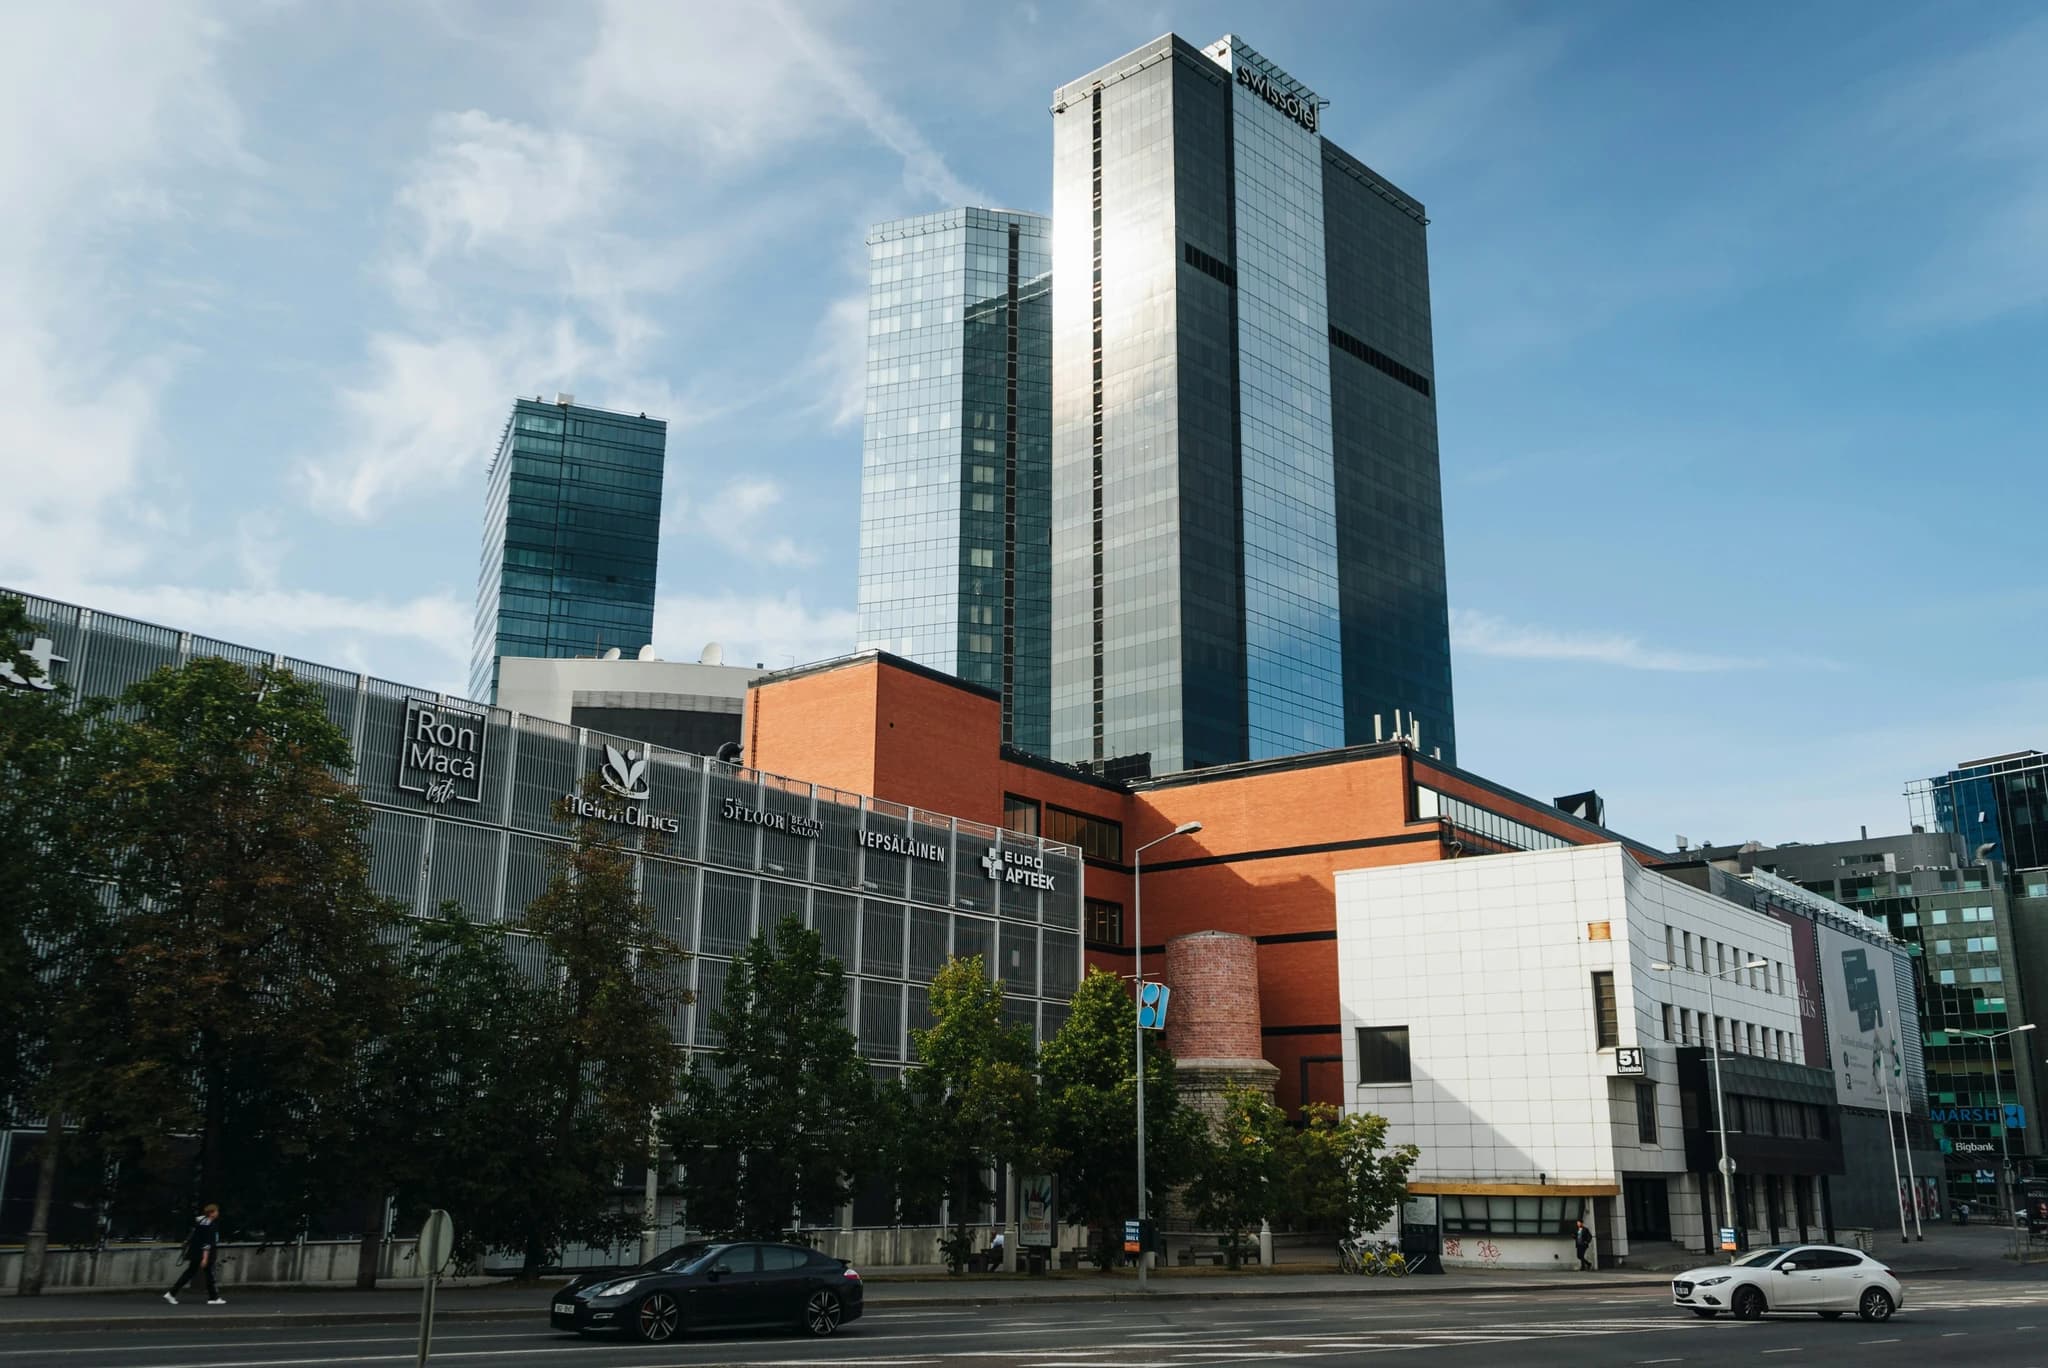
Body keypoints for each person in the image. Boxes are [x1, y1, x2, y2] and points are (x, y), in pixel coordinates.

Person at [164, 1203, 225, 1305]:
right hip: (204, 1254)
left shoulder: (201, 1222)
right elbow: (207, 1242)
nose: (217, 1213)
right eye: (216, 1211)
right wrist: (205, 1258)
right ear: (211, 1213)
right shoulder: (210, 1225)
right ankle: (213, 1298)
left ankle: (172, 1293)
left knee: (190, 1273)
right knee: (209, 1275)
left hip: (195, 1252)